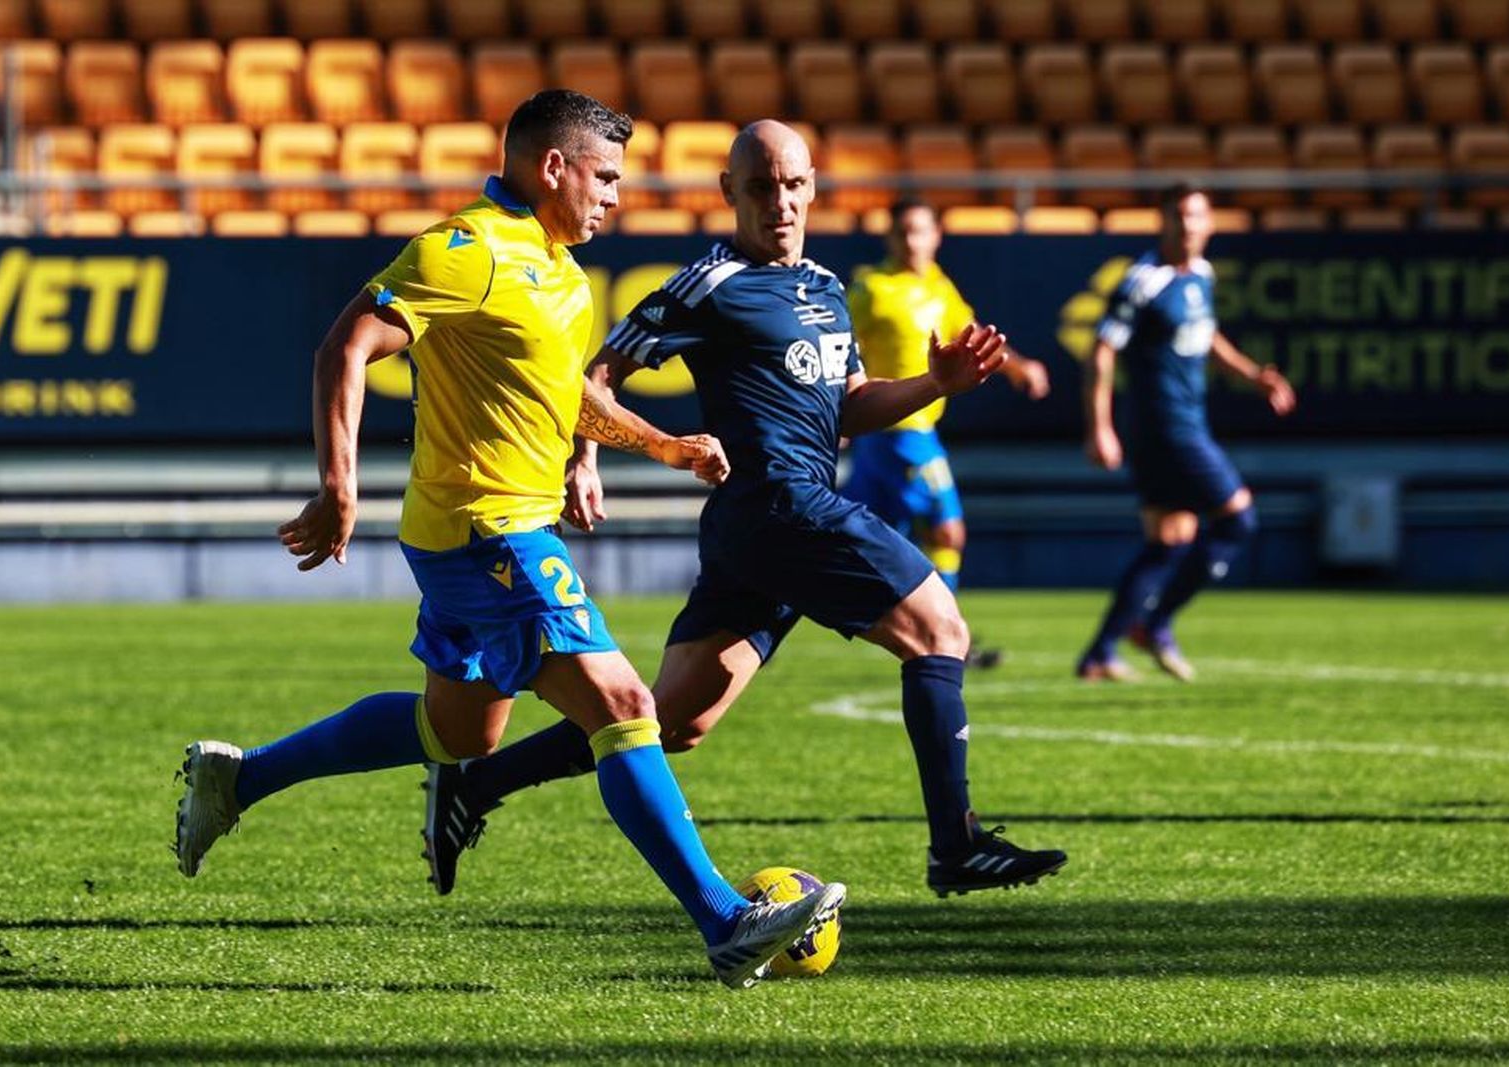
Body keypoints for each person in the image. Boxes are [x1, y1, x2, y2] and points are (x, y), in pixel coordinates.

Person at [171, 90, 843, 991]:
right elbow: (345, 345)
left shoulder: (560, 272)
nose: (614, 195)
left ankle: (239, 779)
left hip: (483, 533)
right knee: (622, 702)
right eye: (603, 176)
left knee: (453, 733)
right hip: (489, 529)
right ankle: (724, 919)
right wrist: (339, 485)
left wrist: (663, 445)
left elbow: (570, 397)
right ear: (552, 167)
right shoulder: (471, 248)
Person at [424, 120, 1068, 903]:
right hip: (780, 507)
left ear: (814, 190)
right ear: (730, 192)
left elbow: (849, 407)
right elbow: (598, 373)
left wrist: (936, 385)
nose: (781, 202)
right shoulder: (709, 282)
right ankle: (957, 844)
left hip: (762, 528)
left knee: (674, 720)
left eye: (794, 185)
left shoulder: (827, 289)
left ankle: (475, 786)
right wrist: (585, 457)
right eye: (761, 187)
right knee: (940, 629)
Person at [1076, 183, 1296, 682]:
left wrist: (1252, 376)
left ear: (1210, 223)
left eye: (1197, 216)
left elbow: (1208, 335)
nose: (1189, 226)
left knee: (1170, 541)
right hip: (1163, 428)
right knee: (1238, 519)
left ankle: (1100, 654)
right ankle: (1155, 625)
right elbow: (1102, 350)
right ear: (1163, 222)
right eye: (1179, 216)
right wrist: (1100, 427)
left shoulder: (1201, 276)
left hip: (1188, 421)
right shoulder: (1142, 281)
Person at [842, 198, 1052, 666]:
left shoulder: (940, 287)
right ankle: (948, 636)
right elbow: (838, 348)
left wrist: (1017, 367)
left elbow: (970, 334)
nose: (911, 241)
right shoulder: (871, 288)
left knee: (852, 543)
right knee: (947, 531)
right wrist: (837, 411)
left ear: (937, 236)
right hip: (899, 430)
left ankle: (764, 617)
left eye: (919, 231)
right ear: (889, 238)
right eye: (902, 232)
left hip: (911, 434)